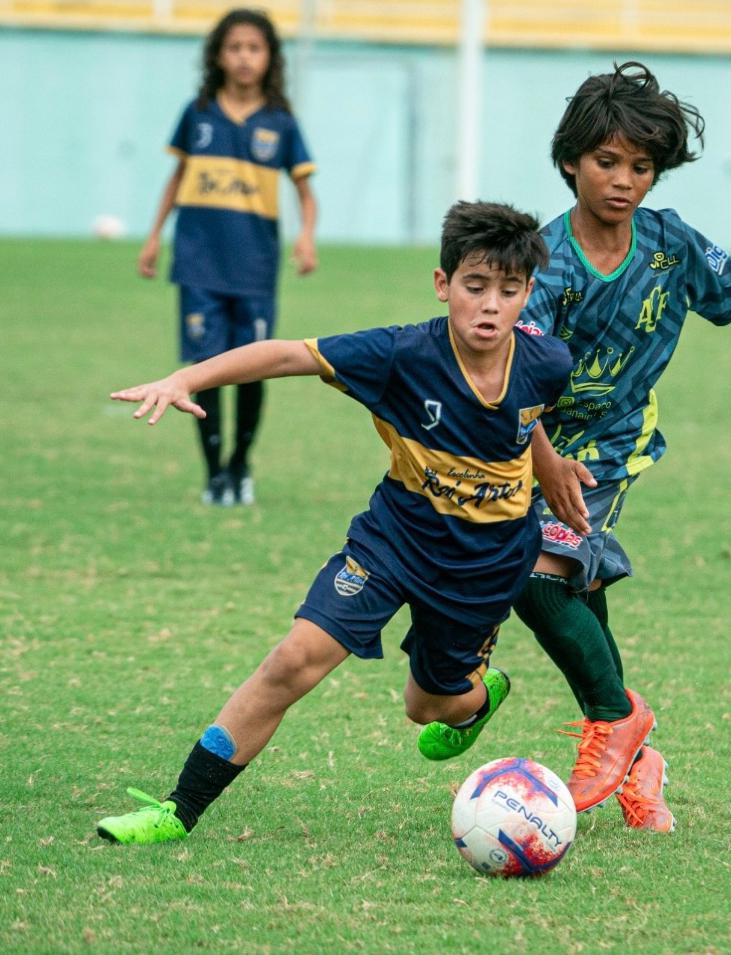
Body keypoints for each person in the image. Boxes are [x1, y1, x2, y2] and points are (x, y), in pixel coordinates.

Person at [96, 201, 572, 845]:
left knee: (427, 707)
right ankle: (177, 810)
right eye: (475, 286)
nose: (490, 305)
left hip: (484, 563)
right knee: (294, 660)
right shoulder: (402, 354)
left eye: (508, 291)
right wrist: (189, 376)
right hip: (395, 538)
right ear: (443, 285)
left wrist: (551, 470)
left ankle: (481, 696)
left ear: (527, 295)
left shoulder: (548, 362)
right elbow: (289, 354)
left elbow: (526, 417)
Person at [510, 62, 731, 833]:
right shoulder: (545, 260)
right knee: (571, 590)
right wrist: (539, 455)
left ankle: (612, 718)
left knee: (534, 572)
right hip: (526, 439)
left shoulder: (669, 245)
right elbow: (508, 371)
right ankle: (637, 759)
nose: (625, 181)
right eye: (608, 162)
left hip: (609, 443)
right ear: (571, 160)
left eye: (642, 167)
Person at [138, 8, 318, 507]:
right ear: (218, 55)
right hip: (198, 264)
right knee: (206, 368)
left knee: (253, 368)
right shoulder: (197, 113)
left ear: (269, 58)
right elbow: (175, 181)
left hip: (254, 268)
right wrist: (154, 236)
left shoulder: (280, 123)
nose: (244, 57)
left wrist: (306, 237)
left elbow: (306, 193)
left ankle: (241, 464)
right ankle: (214, 472)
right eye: (235, 47)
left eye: (254, 48)